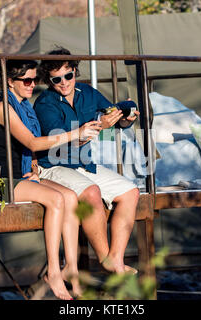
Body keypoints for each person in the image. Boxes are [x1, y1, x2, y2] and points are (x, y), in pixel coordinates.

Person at [0, 59, 102, 299]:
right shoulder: (3, 107)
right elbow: (32, 142)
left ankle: (72, 269)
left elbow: (30, 149)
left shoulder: (24, 106)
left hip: (20, 173)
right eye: (26, 80)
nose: (31, 84)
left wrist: (34, 165)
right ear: (9, 82)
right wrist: (76, 133)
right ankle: (53, 272)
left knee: (69, 196)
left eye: (34, 79)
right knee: (56, 199)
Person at [34, 47, 140, 274]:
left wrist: (126, 116)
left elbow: (113, 115)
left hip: (83, 163)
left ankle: (116, 258)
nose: (64, 83)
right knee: (91, 192)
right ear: (49, 80)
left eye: (68, 75)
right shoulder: (44, 104)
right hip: (53, 164)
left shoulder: (88, 92)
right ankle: (105, 259)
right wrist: (101, 126)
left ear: (75, 71)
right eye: (56, 79)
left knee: (131, 191)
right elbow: (60, 144)